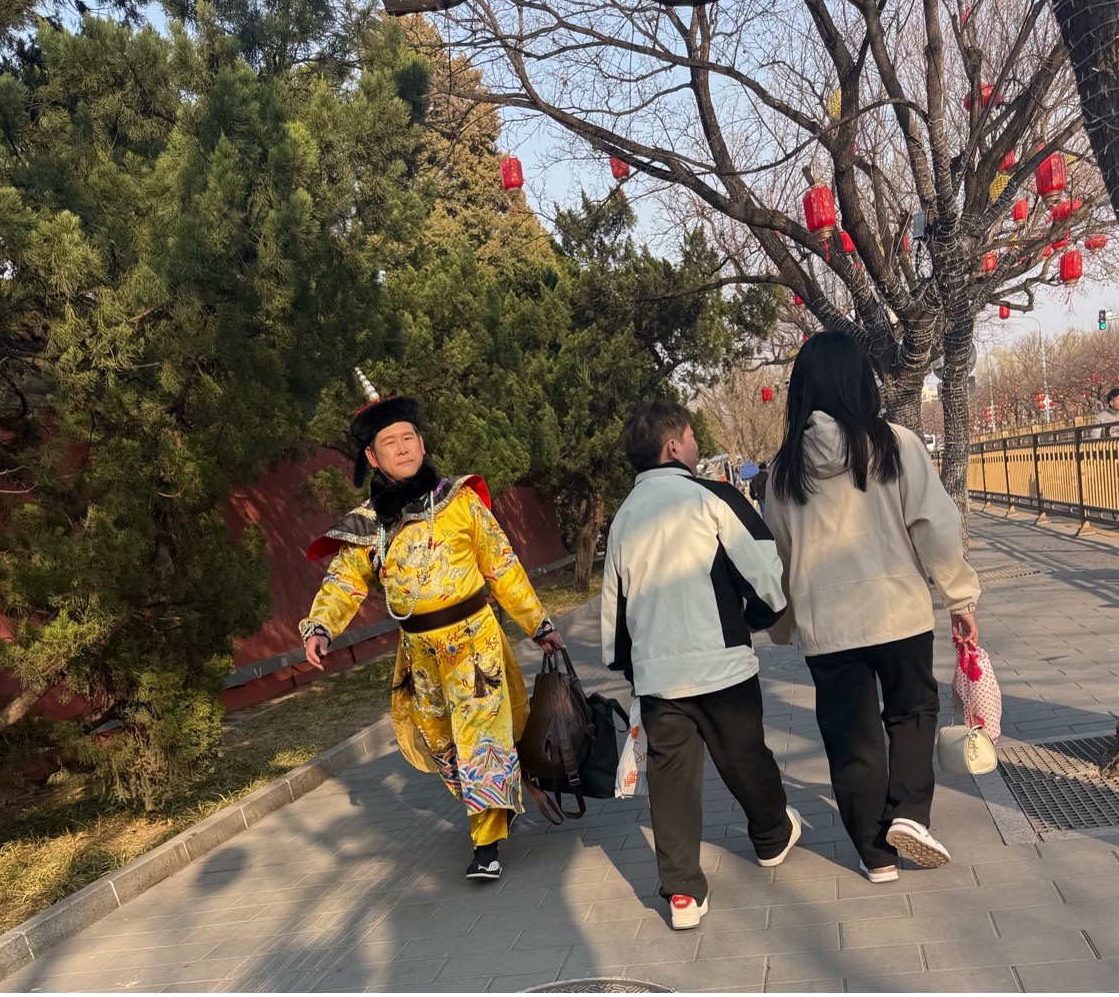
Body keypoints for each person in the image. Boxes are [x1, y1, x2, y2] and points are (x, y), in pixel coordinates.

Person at [300, 378, 565, 882]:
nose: (402, 448)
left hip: (474, 643)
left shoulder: (460, 501)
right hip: (419, 654)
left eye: (408, 438)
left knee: (478, 736)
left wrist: (539, 624)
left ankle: (485, 843)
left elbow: (503, 567)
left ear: (423, 445)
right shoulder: (368, 526)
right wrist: (320, 626)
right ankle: (494, 800)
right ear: (372, 459)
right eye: (388, 443)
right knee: (443, 744)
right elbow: (342, 585)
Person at [763, 333, 980, 884]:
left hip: (827, 625)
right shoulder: (895, 445)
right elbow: (934, 524)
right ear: (862, 381)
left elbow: (779, 557)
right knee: (911, 713)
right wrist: (958, 596)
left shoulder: (784, 472)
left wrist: (785, 625)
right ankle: (908, 812)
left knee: (850, 734)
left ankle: (875, 855)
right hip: (897, 611)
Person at [601, 400, 801, 931]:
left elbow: (612, 605)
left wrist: (628, 666)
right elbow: (763, 565)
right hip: (722, 666)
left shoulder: (623, 518)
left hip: (658, 676)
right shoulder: (712, 498)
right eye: (690, 438)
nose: (694, 446)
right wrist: (758, 618)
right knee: (744, 758)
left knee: (671, 781)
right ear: (674, 447)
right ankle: (771, 837)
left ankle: (683, 893)